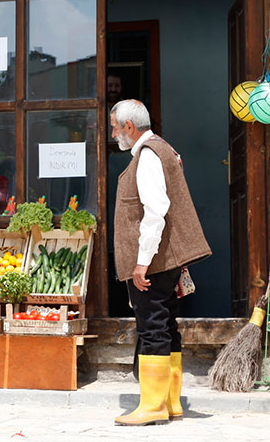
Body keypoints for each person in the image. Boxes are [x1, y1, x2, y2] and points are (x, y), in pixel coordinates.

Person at [110, 100, 211, 426]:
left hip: (153, 262)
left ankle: (152, 406)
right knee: (166, 324)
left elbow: (155, 210)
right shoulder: (158, 150)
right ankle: (169, 402)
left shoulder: (149, 155)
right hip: (161, 260)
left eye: (115, 127)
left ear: (129, 126)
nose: (113, 135)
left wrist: (141, 263)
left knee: (152, 326)